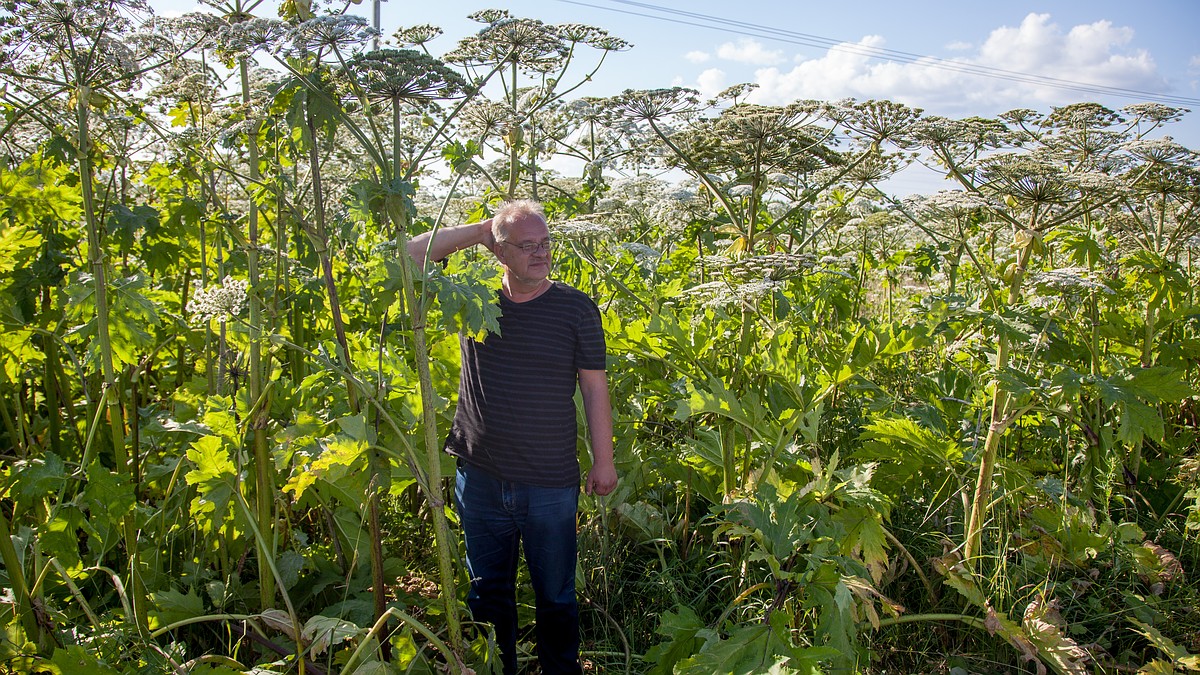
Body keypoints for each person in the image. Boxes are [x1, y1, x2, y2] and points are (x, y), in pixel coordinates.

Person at [406, 199, 618, 674]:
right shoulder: (471, 298)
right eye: (526, 246)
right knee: (487, 593)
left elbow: (593, 386)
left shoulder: (576, 308)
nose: (541, 254)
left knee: (557, 596)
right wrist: (482, 228)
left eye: (545, 244)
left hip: (550, 482)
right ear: (499, 252)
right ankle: (493, 668)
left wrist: (603, 461)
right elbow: (409, 255)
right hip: (479, 477)